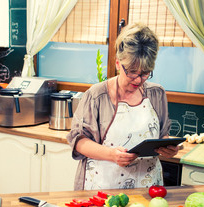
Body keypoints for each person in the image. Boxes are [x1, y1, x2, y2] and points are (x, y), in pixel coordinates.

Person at [67, 22, 179, 190]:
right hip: (103, 188)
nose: (138, 80)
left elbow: (162, 135)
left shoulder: (157, 94)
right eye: (132, 71)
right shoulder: (97, 96)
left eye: (145, 72)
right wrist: (112, 155)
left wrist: (168, 148)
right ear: (118, 63)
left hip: (148, 188)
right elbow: (78, 142)